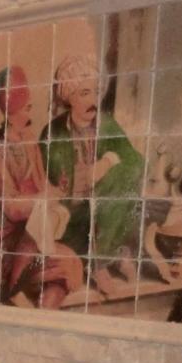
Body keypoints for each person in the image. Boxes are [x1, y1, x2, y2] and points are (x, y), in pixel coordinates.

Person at [0, 66, 83, 307]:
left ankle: (39, 317)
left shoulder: (29, 140)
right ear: (11, 113)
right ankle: (14, 290)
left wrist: (59, 190)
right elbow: (12, 209)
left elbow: (43, 185)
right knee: (61, 263)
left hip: (29, 244)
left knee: (71, 265)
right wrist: (45, 199)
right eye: (27, 109)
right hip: (1, 254)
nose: (30, 115)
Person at [41, 54, 145, 294]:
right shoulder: (53, 133)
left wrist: (107, 162)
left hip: (106, 209)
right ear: (69, 97)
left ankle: (107, 255)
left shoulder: (106, 125)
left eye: (96, 93)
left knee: (124, 175)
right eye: (84, 93)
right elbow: (48, 179)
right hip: (72, 215)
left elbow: (136, 161)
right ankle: (100, 263)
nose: (93, 101)